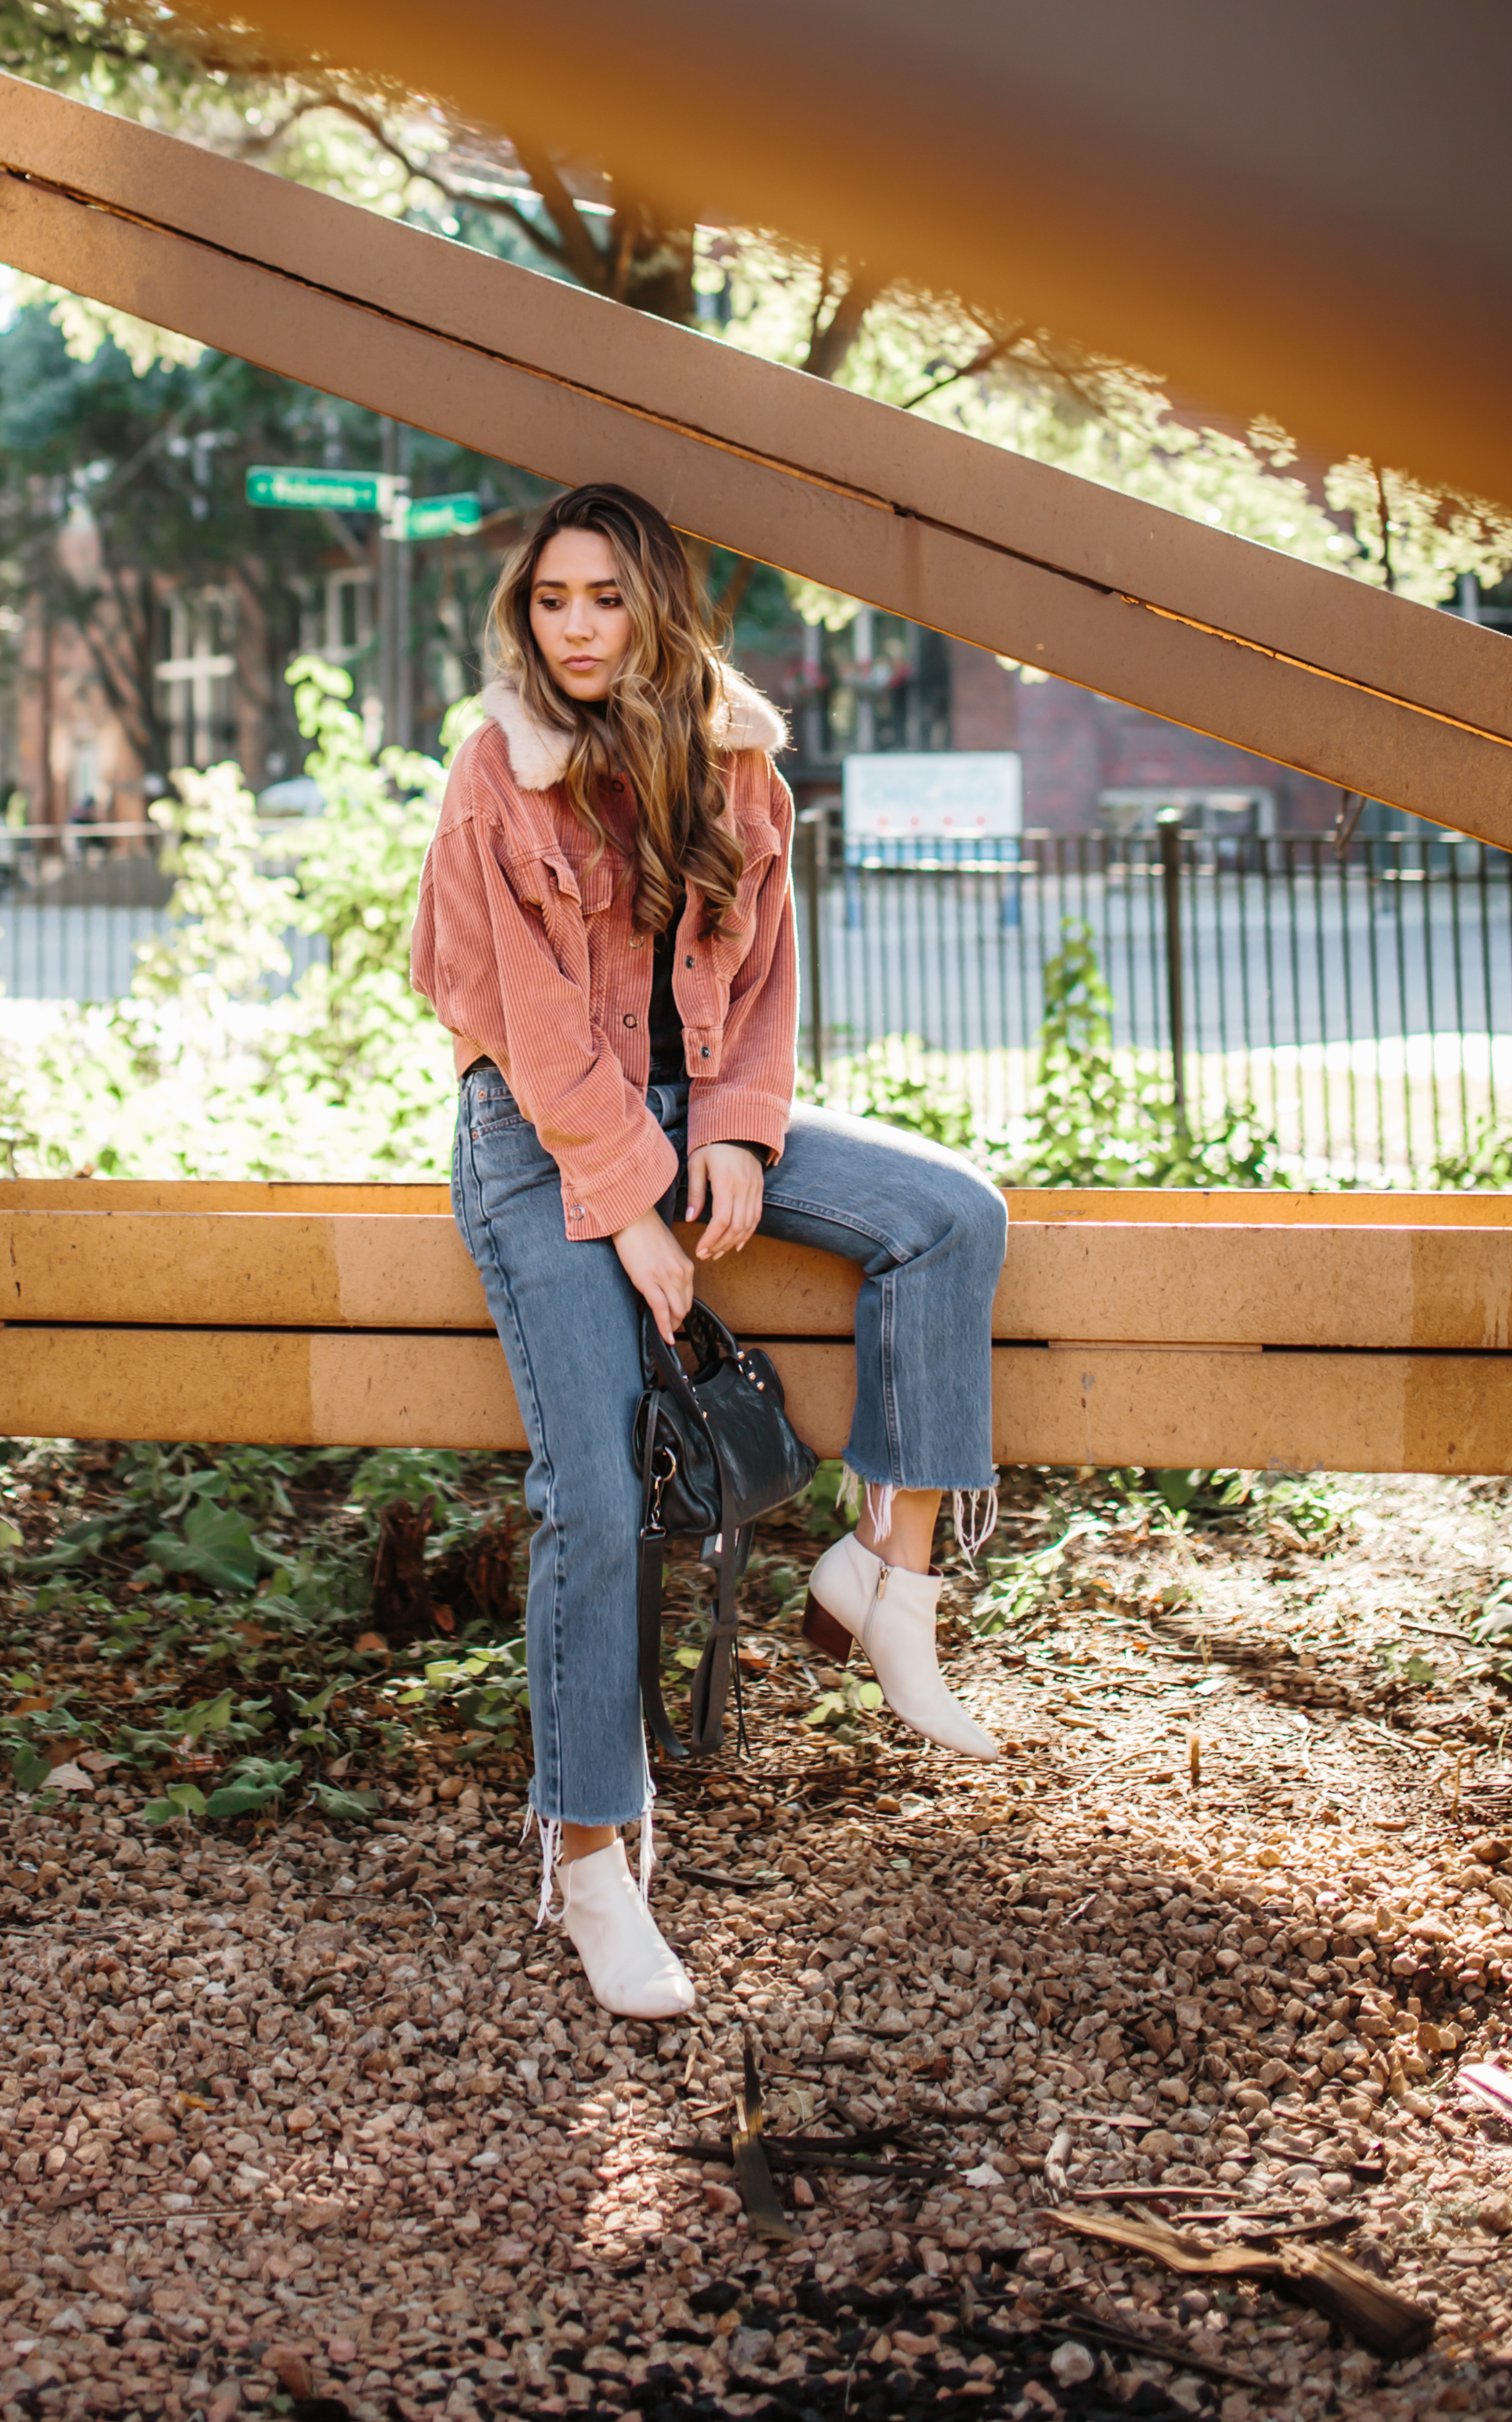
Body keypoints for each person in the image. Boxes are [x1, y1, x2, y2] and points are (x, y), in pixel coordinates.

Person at [411, 482, 1008, 2021]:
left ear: (656, 607)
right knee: (596, 1488)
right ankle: (592, 1855)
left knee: (950, 1218)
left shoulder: (742, 770)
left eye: (604, 599)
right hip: (537, 1141)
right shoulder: (499, 773)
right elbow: (525, 1029)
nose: (577, 630)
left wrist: (737, 1134)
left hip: (691, 1113)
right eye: (551, 602)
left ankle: (889, 1580)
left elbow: (764, 991)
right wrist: (630, 1211)